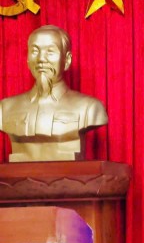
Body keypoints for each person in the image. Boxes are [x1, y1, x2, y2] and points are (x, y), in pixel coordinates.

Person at [0, 25, 108, 162]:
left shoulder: (89, 108)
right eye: (34, 51)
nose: (41, 59)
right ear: (27, 59)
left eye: (50, 52)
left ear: (67, 60)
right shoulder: (5, 109)